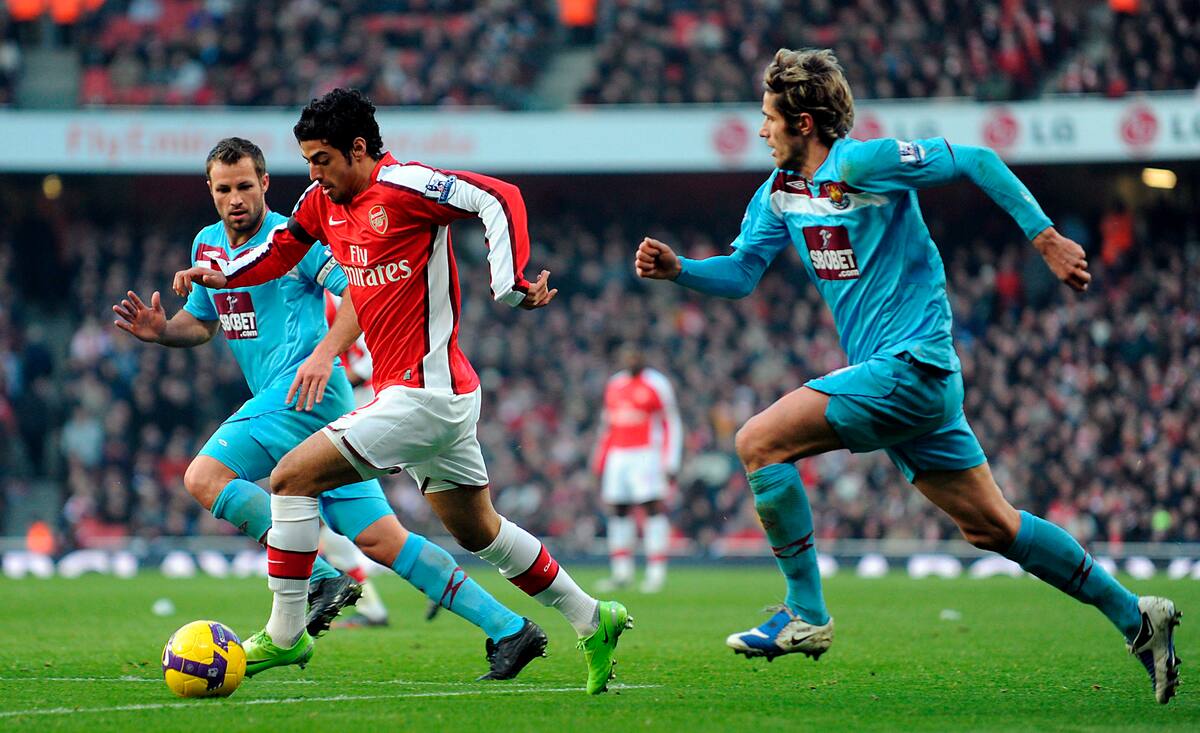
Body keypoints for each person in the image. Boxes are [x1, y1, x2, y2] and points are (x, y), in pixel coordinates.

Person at [634, 48, 1181, 704]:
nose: (761, 130)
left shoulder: (860, 164)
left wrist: (1044, 237)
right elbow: (743, 270)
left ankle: (806, 612)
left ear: (804, 122)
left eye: (768, 118)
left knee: (758, 442)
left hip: (910, 365)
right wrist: (681, 271)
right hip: (910, 382)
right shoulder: (779, 194)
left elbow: (976, 158)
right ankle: (1137, 616)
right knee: (993, 527)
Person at [171, 91, 631, 695]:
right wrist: (221, 276)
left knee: (288, 479)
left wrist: (511, 283)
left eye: (321, 159)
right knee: (478, 531)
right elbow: (280, 255)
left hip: (426, 394)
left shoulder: (409, 186)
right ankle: (591, 617)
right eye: (307, 160)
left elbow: (500, 197)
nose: (311, 175)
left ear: (358, 148)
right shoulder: (320, 202)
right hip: (420, 396)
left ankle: (285, 636)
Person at [116, 137, 546, 681]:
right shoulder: (207, 245)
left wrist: (322, 354)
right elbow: (200, 324)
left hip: (300, 397)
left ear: (265, 183)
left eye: (245, 186)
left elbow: (359, 296)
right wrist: (163, 333)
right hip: (308, 407)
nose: (235, 199)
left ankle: (317, 577)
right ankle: (509, 628)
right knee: (382, 541)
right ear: (211, 191)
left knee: (204, 477)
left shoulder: (293, 237)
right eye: (224, 189)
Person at [593, 348, 682, 593]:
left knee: (652, 508)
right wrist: (599, 459)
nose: (631, 360)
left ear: (643, 359)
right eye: (627, 356)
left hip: (646, 454)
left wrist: (670, 461)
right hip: (618, 455)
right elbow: (606, 425)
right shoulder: (615, 384)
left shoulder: (656, 384)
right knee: (618, 510)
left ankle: (656, 572)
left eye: (635, 356)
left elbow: (670, 422)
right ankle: (622, 572)